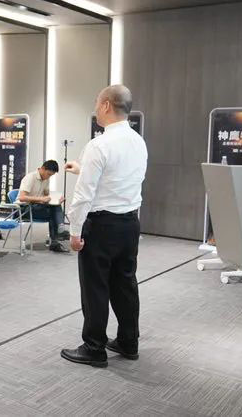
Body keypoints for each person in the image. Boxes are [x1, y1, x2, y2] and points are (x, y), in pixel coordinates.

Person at [60, 85, 148, 368]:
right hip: (129, 224)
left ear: (107, 105)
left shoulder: (99, 145)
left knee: (95, 287)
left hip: (100, 226)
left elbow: (83, 195)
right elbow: (120, 178)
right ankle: (128, 342)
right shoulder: (138, 142)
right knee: (125, 284)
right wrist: (82, 168)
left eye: (97, 102)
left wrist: (75, 231)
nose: (96, 107)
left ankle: (94, 347)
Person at [18, 160, 69, 252]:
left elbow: (47, 195)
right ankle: (59, 230)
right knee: (54, 213)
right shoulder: (30, 177)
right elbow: (22, 198)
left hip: (36, 207)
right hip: (24, 209)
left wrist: (56, 199)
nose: (49, 177)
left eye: (51, 175)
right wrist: (41, 199)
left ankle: (57, 234)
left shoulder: (46, 179)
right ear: (42, 168)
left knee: (55, 207)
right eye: (48, 174)